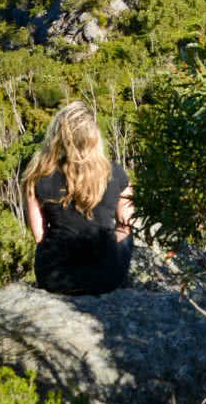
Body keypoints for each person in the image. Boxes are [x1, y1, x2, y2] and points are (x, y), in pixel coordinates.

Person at [21, 101, 135, 295]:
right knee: (126, 236)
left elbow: (39, 236)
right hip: (105, 279)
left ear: (56, 136)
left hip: (54, 279)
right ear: (94, 137)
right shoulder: (114, 173)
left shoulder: (37, 176)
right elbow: (126, 223)